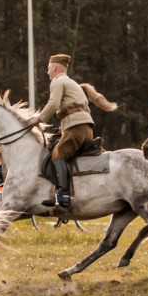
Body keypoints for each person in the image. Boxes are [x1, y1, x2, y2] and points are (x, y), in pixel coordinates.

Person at [27, 53, 117, 209]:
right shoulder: (72, 83)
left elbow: (54, 104)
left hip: (76, 127)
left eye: (48, 69)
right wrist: (65, 125)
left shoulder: (57, 81)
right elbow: (78, 108)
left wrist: (38, 119)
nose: (47, 72)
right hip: (85, 127)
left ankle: (62, 194)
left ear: (54, 68)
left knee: (57, 154)